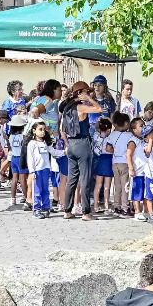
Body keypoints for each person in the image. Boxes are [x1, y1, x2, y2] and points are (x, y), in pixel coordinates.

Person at [59, 81, 103, 219]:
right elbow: (99, 109)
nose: (90, 93)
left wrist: (67, 143)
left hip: (71, 144)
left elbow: (62, 130)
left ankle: (67, 210)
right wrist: (89, 99)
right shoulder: (81, 107)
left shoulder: (67, 108)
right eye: (87, 92)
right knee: (85, 178)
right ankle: (86, 212)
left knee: (71, 179)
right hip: (82, 143)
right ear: (80, 93)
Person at [109, 112, 137, 218]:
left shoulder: (112, 134)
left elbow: (108, 148)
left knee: (117, 186)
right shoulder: (129, 135)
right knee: (126, 186)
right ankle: (125, 208)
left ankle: (117, 207)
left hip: (114, 162)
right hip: (125, 163)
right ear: (126, 123)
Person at [26, 119, 55, 219]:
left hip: (46, 169)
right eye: (40, 129)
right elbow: (30, 158)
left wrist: (64, 152)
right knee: (37, 190)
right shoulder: (32, 144)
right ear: (34, 131)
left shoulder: (46, 143)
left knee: (45, 190)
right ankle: (36, 209)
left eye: (44, 129)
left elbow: (53, 151)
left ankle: (46, 207)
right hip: (37, 170)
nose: (42, 131)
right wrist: (32, 171)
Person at [92, 117, 115, 217]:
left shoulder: (96, 136)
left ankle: (96, 205)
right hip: (108, 160)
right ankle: (106, 205)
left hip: (99, 160)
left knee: (98, 185)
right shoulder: (111, 137)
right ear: (109, 129)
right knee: (107, 186)